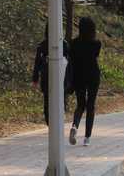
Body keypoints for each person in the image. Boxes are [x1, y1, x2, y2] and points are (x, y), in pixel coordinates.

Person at [69, 17, 102, 146]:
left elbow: (72, 59)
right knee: (91, 105)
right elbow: (95, 56)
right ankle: (87, 138)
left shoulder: (73, 43)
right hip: (93, 75)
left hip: (79, 76)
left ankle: (74, 126)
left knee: (80, 104)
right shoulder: (96, 43)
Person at [32, 24, 70, 126]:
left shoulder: (42, 45)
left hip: (46, 77)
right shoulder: (64, 44)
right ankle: (59, 120)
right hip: (61, 77)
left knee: (47, 100)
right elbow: (69, 62)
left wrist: (35, 79)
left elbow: (37, 64)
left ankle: (50, 122)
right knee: (61, 98)